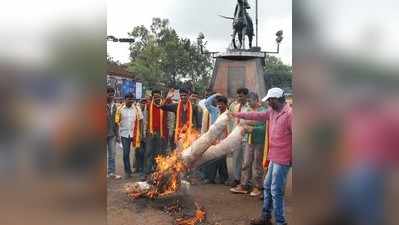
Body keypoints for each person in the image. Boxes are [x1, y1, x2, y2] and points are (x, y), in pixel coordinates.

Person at [231, 87, 292, 225]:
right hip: (273, 156)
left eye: (270, 100)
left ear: (277, 99)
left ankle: (280, 222)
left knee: (276, 190)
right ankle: (265, 218)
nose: (268, 103)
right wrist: (238, 115)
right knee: (267, 186)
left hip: (283, 159)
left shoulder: (289, 115)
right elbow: (257, 116)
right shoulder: (272, 111)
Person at [230, 92, 265, 196]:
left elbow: (262, 123)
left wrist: (249, 123)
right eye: (248, 101)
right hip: (248, 140)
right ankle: (244, 185)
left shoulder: (263, 110)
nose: (248, 103)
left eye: (250, 100)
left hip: (259, 141)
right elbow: (241, 122)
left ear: (256, 100)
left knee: (257, 164)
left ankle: (258, 187)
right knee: (246, 163)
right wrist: (250, 123)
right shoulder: (247, 110)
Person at [202, 93, 229, 184]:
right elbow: (207, 103)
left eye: (222, 104)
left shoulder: (228, 114)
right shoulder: (214, 111)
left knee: (222, 159)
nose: (220, 105)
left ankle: (224, 179)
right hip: (213, 139)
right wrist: (216, 95)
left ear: (226, 104)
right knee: (211, 158)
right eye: (218, 103)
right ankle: (210, 178)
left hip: (223, 139)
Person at [115, 92, 143, 179]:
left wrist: (141, 133)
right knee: (126, 153)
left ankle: (139, 169)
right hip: (124, 134)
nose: (130, 101)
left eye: (132, 99)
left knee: (139, 152)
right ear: (125, 99)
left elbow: (141, 121)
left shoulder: (137, 109)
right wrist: (117, 135)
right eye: (129, 99)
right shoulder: (120, 109)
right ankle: (128, 172)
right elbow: (116, 122)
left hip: (135, 134)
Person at [144, 90, 168, 178]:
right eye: (155, 97)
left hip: (161, 133)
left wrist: (167, 133)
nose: (156, 98)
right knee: (149, 153)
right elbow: (145, 119)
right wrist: (145, 132)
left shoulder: (164, 106)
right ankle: (147, 173)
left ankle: (158, 173)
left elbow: (169, 119)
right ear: (152, 97)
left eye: (158, 97)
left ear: (161, 96)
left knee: (160, 153)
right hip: (150, 132)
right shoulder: (148, 106)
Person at [228, 87, 249, 187]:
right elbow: (232, 121)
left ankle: (245, 181)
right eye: (238, 95)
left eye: (241, 96)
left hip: (246, 137)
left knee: (246, 160)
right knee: (236, 158)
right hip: (236, 137)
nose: (239, 97)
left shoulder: (249, 107)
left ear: (246, 96)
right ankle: (236, 179)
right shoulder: (235, 106)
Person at [106, 86, 122, 179]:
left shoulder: (115, 106)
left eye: (112, 95)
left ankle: (111, 173)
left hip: (112, 134)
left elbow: (116, 122)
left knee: (112, 154)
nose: (111, 96)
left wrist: (118, 135)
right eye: (109, 94)